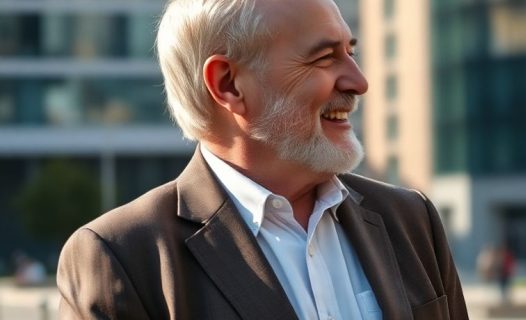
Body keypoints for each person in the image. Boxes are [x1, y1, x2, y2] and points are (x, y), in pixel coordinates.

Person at [56, 0, 467, 319]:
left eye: (350, 52)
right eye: (325, 58)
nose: (358, 82)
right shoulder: (122, 257)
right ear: (228, 84)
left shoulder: (410, 219)